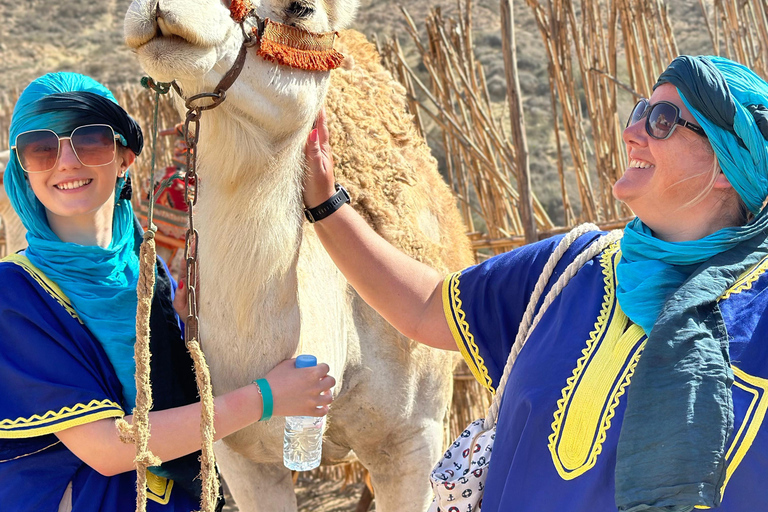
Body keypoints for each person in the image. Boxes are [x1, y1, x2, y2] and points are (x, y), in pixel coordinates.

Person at [302, 55, 768, 511]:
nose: (632, 133)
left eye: (663, 120)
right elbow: (425, 306)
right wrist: (325, 204)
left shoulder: (759, 314)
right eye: (640, 112)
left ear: (728, 163)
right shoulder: (569, 269)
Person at [0, 72, 335, 512]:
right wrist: (267, 397)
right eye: (41, 148)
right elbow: (108, 448)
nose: (66, 161)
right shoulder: (16, 295)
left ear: (125, 158)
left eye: (92, 141)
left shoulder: (147, 273)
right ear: (22, 168)